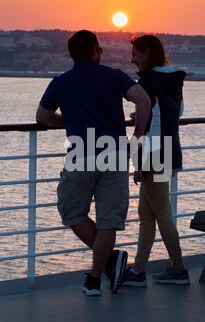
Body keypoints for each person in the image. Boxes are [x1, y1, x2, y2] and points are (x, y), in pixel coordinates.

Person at [36, 30, 151, 296]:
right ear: (96, 51)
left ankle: (109, 264)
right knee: (108, 221)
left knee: (72, 211)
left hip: (81, 154)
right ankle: (95, 278)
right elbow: (143, 100)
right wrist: (138, 135)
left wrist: (69, 121)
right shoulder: (114, 76)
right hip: (114, 154)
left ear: (72, 54)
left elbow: (42, 116)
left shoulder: (62, 81)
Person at [124, 34, 189, 287]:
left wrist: (138, 163)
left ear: (148, 52)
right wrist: (145, 111)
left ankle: (178, 269)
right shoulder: (174, 78)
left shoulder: (148, 81)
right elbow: (177, 112)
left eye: (135, 54)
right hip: (169, 149)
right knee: (146, 213)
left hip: (153, 152)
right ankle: (139, 269)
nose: (132, 60)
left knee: (161, 212)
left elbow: (146, 130)